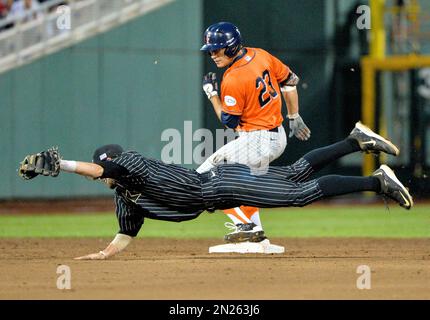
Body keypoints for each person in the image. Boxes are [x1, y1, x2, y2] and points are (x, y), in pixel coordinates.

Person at [18, 122, 413, 260]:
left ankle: (377, 181)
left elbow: (99, 169)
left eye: (104, 167)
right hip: (219, 191)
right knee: (294, 175)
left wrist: (65, 165)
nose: (104, 174)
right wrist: (103, 254)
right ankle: (356, 140)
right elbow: (126, 232)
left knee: (298, 194)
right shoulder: (125, 196)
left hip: (219, 184)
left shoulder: (133, 165)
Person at [198, 21, 311, 252]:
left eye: (216, 49)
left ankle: (245, 227)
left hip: (257, 140)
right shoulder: (261, 55)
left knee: (205, 178)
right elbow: (290, 80)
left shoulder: (233, 77)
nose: (212, 54)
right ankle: (258, 239)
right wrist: (294, 115)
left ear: (231, 47)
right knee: (243, 187)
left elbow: (229, 121)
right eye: (209, 50)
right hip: (276, 137)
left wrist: (212, 94)